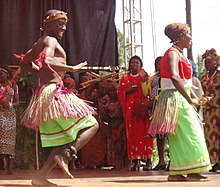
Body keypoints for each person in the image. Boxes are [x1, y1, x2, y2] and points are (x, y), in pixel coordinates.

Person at [15, 9, 99, 186]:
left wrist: (39, 71)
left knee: (63, 140)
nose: (64, 27)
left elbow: (24, 62)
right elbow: (46, 60)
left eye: (65, 24)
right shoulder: (50, 40)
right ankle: (67, 154)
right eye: (60, 23)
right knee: (93, 124)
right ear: (48, 24)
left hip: (44, 95)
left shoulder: (39, 42)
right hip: (54, 93)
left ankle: (40, 177)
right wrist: (71, 68)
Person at [148, 23, 211, 181]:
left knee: (183, 135)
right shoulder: (172, 54)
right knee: (191, 132)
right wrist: (190, 99)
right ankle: (188, 170)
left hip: (179, 96)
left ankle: (178, 172)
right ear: (180, 37)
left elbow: (183, 80)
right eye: (188, 34)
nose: (191, 37)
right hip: (175, 98)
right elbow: (175, 77)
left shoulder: (179, 53)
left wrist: (193, 96)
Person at [118, 55, 154, 171]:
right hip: (131, 110)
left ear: (141, 65)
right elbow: (120, 93)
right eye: (132, 63)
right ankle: (135, 161)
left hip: (142, 110)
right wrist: (129, 91)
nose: (134, 65)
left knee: (146, 133)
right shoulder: (125, 78)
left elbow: (148, 92)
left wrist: (143, 82)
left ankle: (148, 160)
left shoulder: (145, 77)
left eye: (137, 63)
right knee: (132, 134)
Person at [147, 56, 169, 171]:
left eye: (162, 63)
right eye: (158, 64)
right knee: (159, 135)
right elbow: (148, 90)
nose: (161, 66)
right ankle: (161, 161)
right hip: (156, 107)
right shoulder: (153, 78)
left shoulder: (169, 76)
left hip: (167, 106)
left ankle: (173, 160)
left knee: (169, 134)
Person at [201, 48, 220, 172]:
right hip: (208, 110)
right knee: (210, 135)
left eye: (210, 62)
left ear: (216, 63)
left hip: (219, 108)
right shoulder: (203, 77)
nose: (207, 65)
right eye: (206, 62)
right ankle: (213, 162)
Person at [0, 64, 19, 174]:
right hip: (0, 114)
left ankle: (9, 167)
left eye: (1, 74)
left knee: (10, 140)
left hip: (10, 115)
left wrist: (10, 105)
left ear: (7, 74)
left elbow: (17, 101)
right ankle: (3, 164)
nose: (0, 76)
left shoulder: (13, 86)